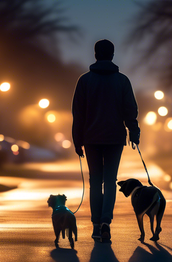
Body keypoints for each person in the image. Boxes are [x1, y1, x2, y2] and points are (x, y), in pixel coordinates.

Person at [72, 39, 140, 241]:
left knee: (95, 182)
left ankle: (95, 224)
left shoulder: (84, 81)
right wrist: (134, 133)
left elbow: (78, 114)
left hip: (91, 139)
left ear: (95, 54)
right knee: (110, 182)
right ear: (112, 55)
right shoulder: (122, 81)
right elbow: (130, 111)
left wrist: (78, 141)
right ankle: (105, 222)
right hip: (114, 138)